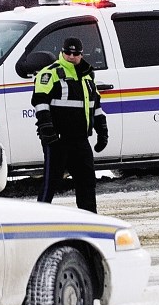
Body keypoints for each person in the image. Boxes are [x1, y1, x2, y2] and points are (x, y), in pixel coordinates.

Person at [31, 37, 108, 213]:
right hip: (58, 140)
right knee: (51, 183)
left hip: (81, 140)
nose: (71, 56)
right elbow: (40, 102)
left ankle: (90, 220)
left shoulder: (87, 75)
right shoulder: (50, 73)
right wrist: (47, 129)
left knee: (87, 182)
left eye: (76, 53)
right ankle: (38, 220)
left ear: (81, 54)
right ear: (62, 52)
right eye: (68, 53)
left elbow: (95, 106)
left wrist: (102, 131)